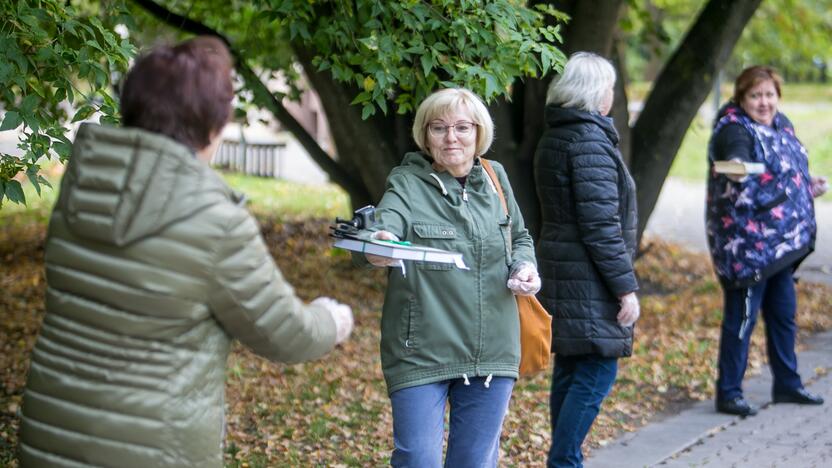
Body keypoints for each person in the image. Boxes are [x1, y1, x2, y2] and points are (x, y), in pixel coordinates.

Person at [18, 36, 353, 467]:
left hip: (51, 435)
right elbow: (285, 334)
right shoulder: (217, 221)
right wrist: (332, 319)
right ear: (213, 124)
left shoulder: (84, 187)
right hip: (151, 449)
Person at [357, 87, 540, 467]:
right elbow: (385, 227)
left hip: (492, 350)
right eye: (439, 128)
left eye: (461, 127)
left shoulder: (495, 177)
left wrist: (525, 267)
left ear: (479, 133)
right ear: (425, 135)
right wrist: (381, 242)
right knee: (417, 459)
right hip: (421, 349)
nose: (451, 137)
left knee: (474, 462)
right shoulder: (406, 182)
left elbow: (519, 235)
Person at [533, 52, 640, 468]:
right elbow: (600, 226)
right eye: (610, 87)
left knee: (573, 366)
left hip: (565, 270)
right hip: (588, 276)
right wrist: (625, 287)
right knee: (597, 369)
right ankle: (564, 461)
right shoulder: (589, 141)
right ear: (598, 93)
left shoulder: (557, 134)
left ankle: (562, 460)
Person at [706, 65, 827, 417]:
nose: (764, 102)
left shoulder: (782, 124)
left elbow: (785, 172)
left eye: (769, 94)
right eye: (755, 95)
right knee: (741, 320)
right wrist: (738, 169)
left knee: (784, 316)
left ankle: (787, 385)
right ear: (741, 98)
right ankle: (729, 393)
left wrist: (805, 186)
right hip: (747, 248)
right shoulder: (733, 131)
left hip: (782, 246)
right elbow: (735, 165)